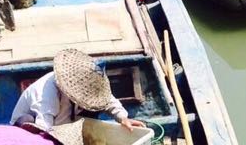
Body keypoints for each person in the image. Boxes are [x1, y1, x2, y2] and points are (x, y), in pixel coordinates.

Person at [11, 47, 146, 133]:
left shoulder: (86, 83)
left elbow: (107, 99)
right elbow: (45, 129)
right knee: (27, 122)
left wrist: (122, 117)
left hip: (68, 125)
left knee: (94, 108)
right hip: (40, 130)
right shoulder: (45, 94)